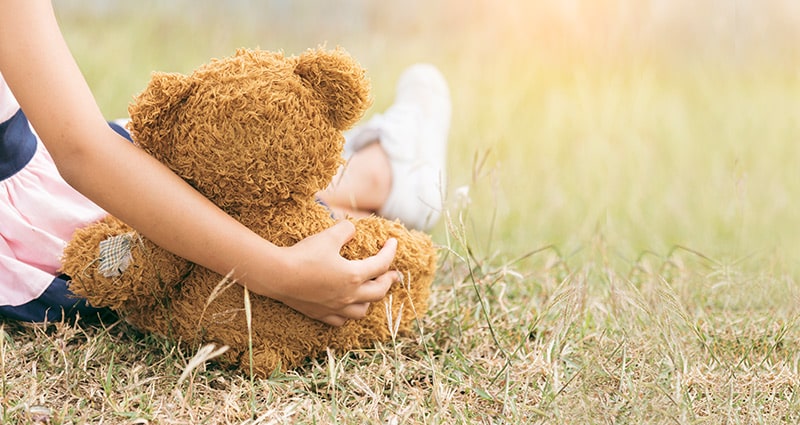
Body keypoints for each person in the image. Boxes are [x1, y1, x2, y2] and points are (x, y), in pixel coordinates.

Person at [0, 1, 450, 326]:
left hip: (39, 163)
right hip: (31, 220)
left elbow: (79, 144)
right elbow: (82, 153)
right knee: (221, 201)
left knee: (223, 165)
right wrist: (282, 274)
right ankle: (384, 177)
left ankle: (379, 175)